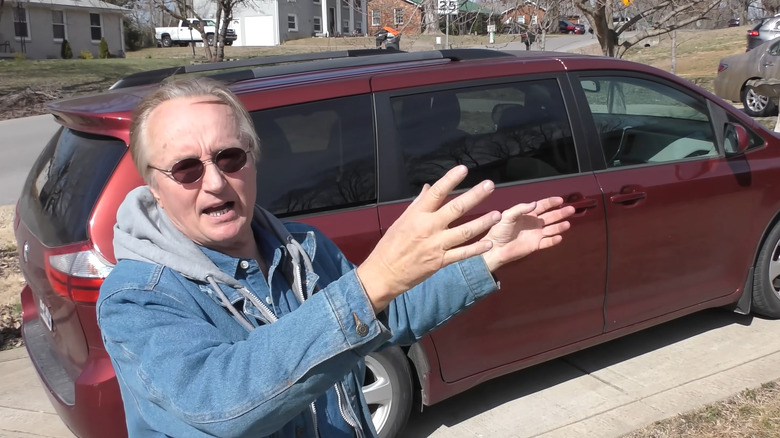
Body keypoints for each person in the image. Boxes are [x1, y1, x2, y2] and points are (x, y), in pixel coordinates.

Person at [96, 77, 575, 438]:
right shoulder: (138, 297)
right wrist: (370, 283)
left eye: (229, 157)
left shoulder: (302, 247)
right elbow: (222, 400)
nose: (216, 182)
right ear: (155, 187)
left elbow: (387, 316)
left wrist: (487, 257)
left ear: (253, 160)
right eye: (186, 169)